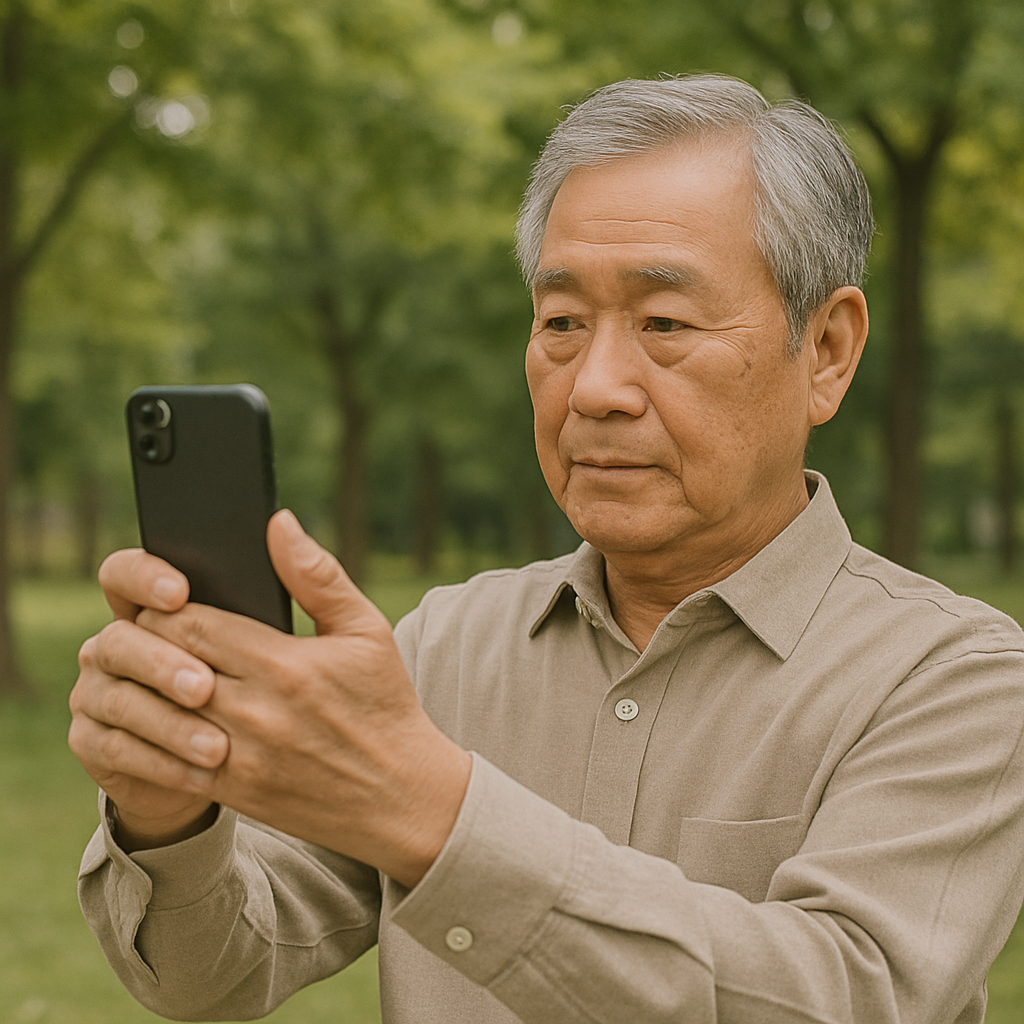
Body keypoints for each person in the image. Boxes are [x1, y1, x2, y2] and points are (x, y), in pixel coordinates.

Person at [70, 75, 1024, 1024]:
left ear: (826, 349)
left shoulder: (955, 680)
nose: (596, 385)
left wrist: (438, 815)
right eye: (562, 322)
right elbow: (210, 977)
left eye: (664, 323)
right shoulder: (446, 645)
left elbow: (847, 998)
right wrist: (168, 807)